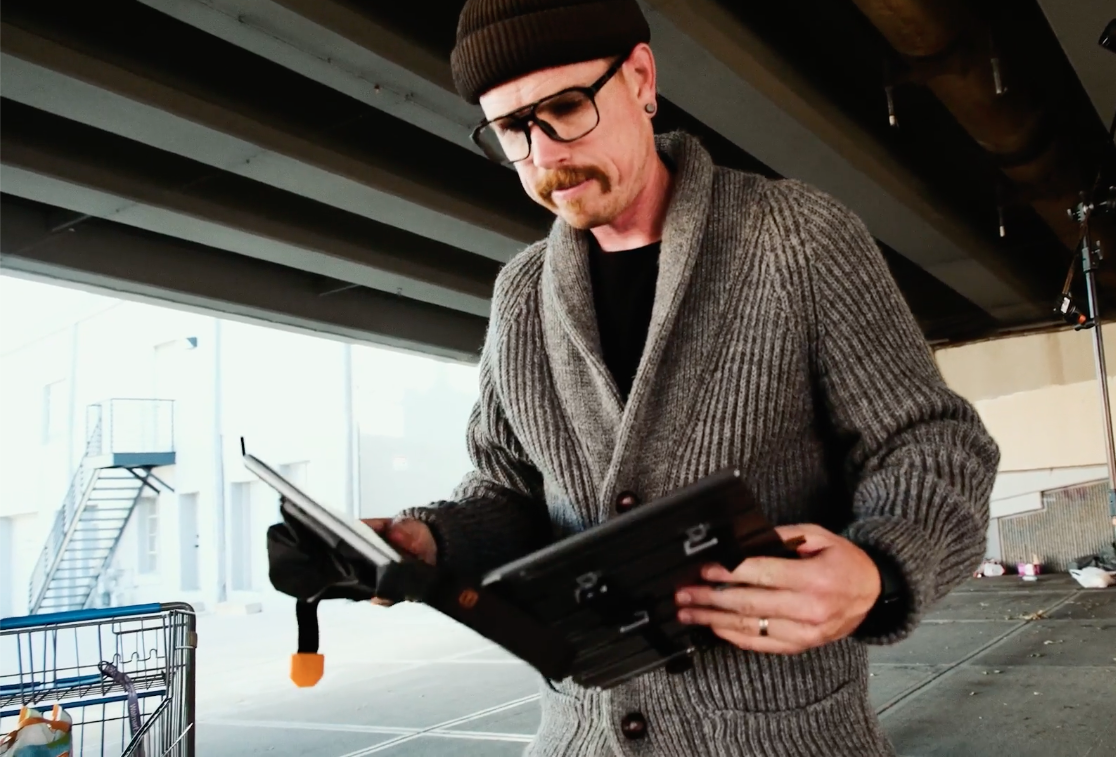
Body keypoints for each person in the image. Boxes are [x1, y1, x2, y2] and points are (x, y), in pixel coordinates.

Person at [367, 1, 1000, 754]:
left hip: (783, 738)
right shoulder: (521, 294)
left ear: (639, 77)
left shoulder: (796, 237)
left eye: (566, 108)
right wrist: (428, 539)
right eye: (512, 129)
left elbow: (928, 442)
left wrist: (882, 567)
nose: (545, 156)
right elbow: (509, 491)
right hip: (583, 736)